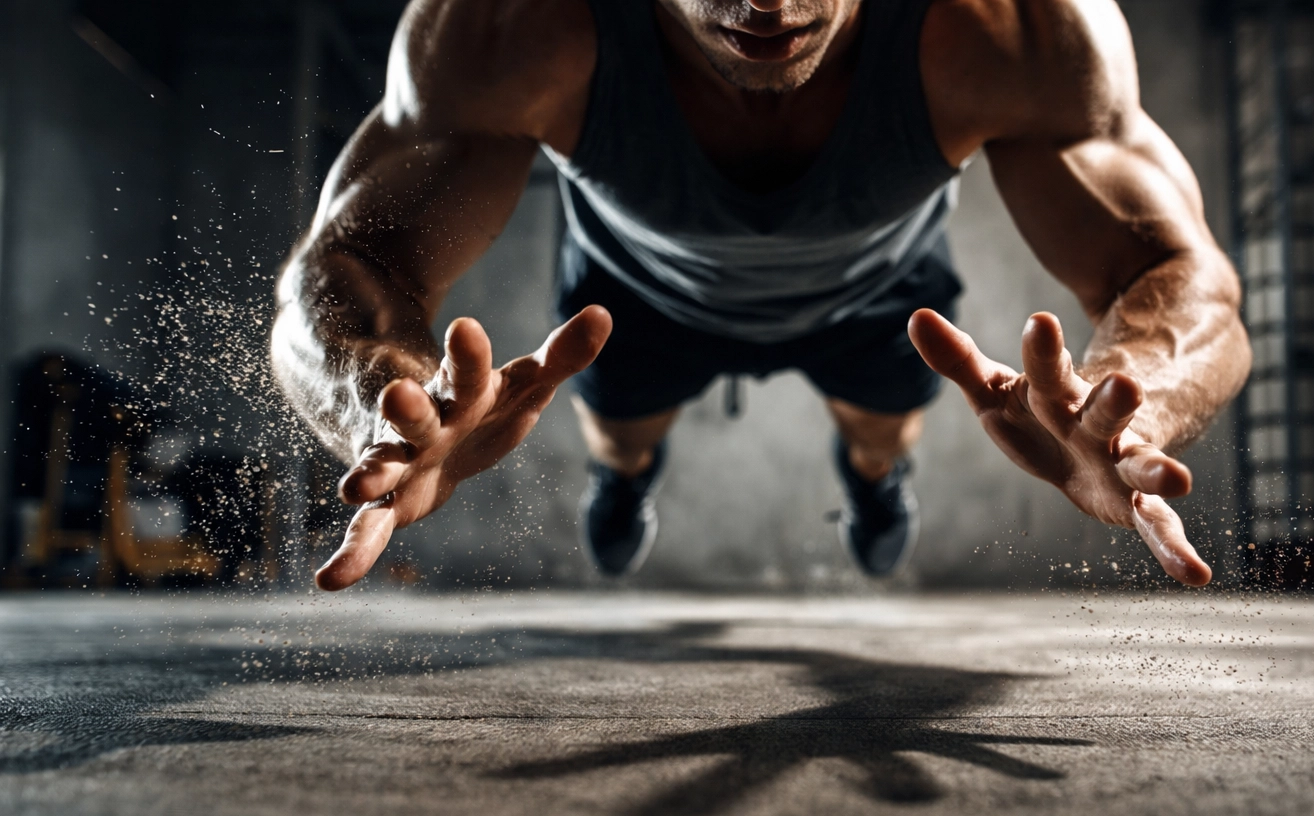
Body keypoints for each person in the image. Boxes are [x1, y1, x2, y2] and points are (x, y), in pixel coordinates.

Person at [271, 0, 1251, 592]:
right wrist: (377, 401)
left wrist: (1133, 401)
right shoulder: (515, 32)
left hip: (877, 295)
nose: (770, 7)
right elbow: (344, 267)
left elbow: (1178, 270)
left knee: (882, 438)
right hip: (633, 295)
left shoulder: (1009, 31)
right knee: (622, 439)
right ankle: (623, 480)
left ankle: (873, 485)